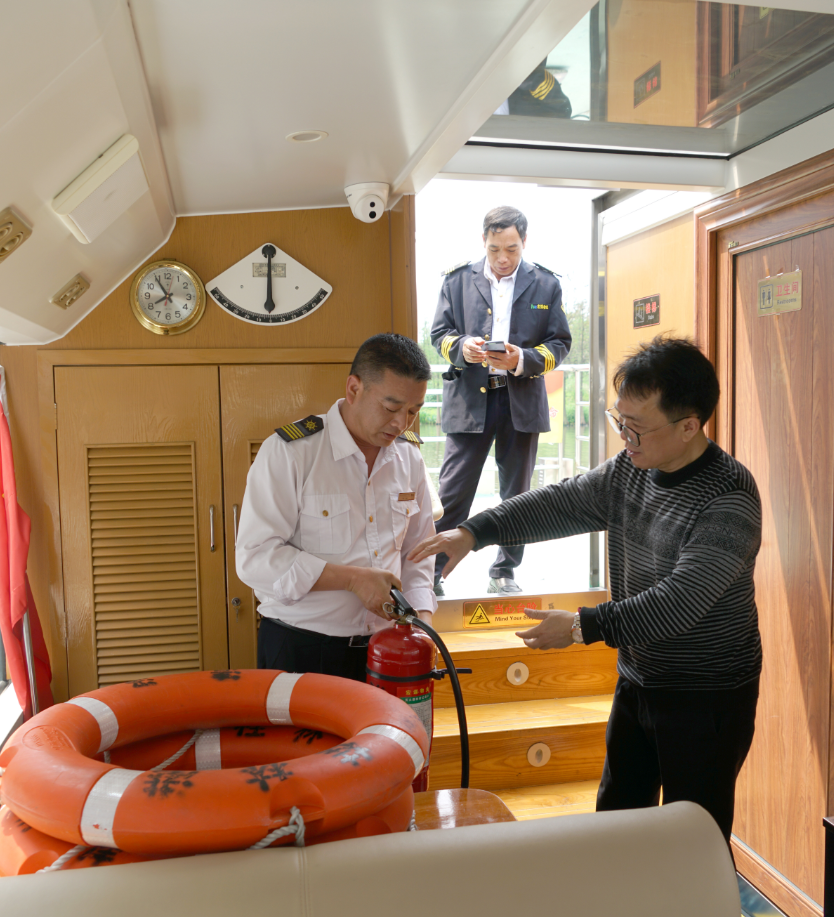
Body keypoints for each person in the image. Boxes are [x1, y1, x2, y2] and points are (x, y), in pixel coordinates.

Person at [410, 335, 761, 841]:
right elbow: (561, 503)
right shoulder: (631, 470)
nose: (625, 438)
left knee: (693, 839)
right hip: (639, 678)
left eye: (637, 427)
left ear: (689, 426)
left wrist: (581, 626)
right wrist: (474, 532)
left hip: (706, 695)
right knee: (616, 821)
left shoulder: (728, 498)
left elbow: (680, 602)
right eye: (620, 421)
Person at [236, 333, 437, 681]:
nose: (401, 423)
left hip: (387, 648)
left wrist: (422, 624)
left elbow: (418, 552)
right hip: (302, 647)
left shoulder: (409, 457)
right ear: (354, 389)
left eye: (413, 411)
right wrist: (353, 580)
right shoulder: (291, 452)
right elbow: (255, 558)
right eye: (391, 408)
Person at [430, 205, 571, 595]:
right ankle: (433, 572)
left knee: (517, 495)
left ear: (524, 242)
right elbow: (439, 333)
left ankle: (504, 571)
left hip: (520, 401)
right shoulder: (458, 280)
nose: (503, 258)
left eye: (511, 249)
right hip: (468, 401)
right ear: (483, 241)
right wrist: (463, 347)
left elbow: (560, 343)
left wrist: (521, 359)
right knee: (452, 492)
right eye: (494, 249)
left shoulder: (546, 283)